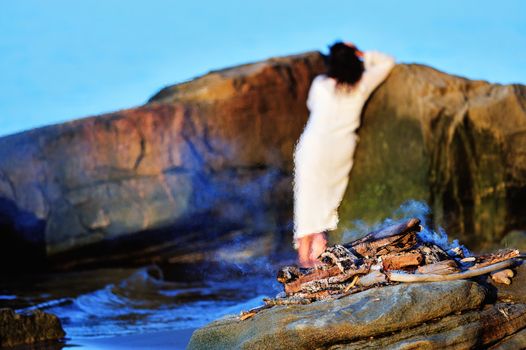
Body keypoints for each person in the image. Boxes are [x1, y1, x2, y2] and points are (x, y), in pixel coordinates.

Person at [293, 42, 395, 267]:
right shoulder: (361, 84)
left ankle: (304, 260)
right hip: (340, 148)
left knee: (307, 200)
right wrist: (362, 53)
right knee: (328, 202)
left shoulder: (321, 84)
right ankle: (318, 254)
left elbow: (311, 105)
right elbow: (387, 62)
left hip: (314, 145)